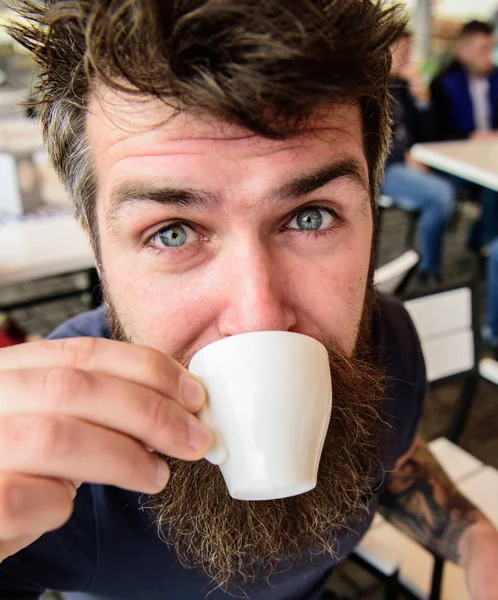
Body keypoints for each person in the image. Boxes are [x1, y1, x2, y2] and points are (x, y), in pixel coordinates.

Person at [0, 2, 497, 599]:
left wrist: (477, 538)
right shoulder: (51, 464)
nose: (260, 317)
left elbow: (393, 460)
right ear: (98, 249)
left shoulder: (384, 340)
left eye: (311, 217)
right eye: (172, 231)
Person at [382, 30, 455, 284]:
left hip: (411, 161)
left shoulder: (403, 88)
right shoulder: (373, 89)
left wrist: (422, 98)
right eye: (401, 52)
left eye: (409, 53)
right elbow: (373, 143)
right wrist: (405, 156)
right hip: (385, 168)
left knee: (452, 184)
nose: (407, 59)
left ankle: (478, 241)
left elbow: (429, 133)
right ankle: (429, 269)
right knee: (440, 194)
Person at [431, 20, 498, 252]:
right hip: (453, 163)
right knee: (492, 185)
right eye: (483, 50)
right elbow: (435, 134)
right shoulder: (443, 83)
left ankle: (482, 240)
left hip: (488, 155)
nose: (489, 56)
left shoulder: (495, 78)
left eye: (492, 48)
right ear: (463, 52)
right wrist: (471, 137)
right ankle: (488, 246)